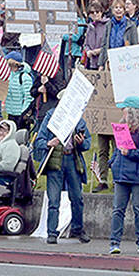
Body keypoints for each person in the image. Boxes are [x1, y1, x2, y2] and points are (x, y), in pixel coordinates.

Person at [34, 82, 91, 244]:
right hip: (55, 162)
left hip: (72, 160)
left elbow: (87, 143)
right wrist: (48, 143)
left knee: (77, 198)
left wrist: (81, 143)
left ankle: (78, 229)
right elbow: (39, 141)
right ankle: (52, 232)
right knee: (54, 199)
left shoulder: (78, 120)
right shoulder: (51, 116)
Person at [106, 96, 139, 255]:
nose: (123, 112)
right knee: (117, 209)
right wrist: (113, 162)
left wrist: (131, 153)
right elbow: (118, 148)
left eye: (125, 110)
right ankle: (114, 242)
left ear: (132, 111)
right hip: (122, 173)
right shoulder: (122, 126)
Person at [1, 51, 34, 131]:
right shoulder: (9, 75)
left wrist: (23, 113)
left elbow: (28, 97)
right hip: (11, 111)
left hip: (20, 114)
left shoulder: (25, 77)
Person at [0, 118, 21, 186]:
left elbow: (7, 166)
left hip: (2, 178)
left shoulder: (11, 145)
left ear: (10, 132)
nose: (0, 133)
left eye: (4, 131)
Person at [81, 1, 110, 70]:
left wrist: (99, 51)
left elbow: (109, 43)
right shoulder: (90, 27)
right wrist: (88, 51)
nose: (95, 14)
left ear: (101, 12)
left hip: (103, 61)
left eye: (97, 12)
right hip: (90, 62)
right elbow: (86, 44)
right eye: (92, 12)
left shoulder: (107, 25)